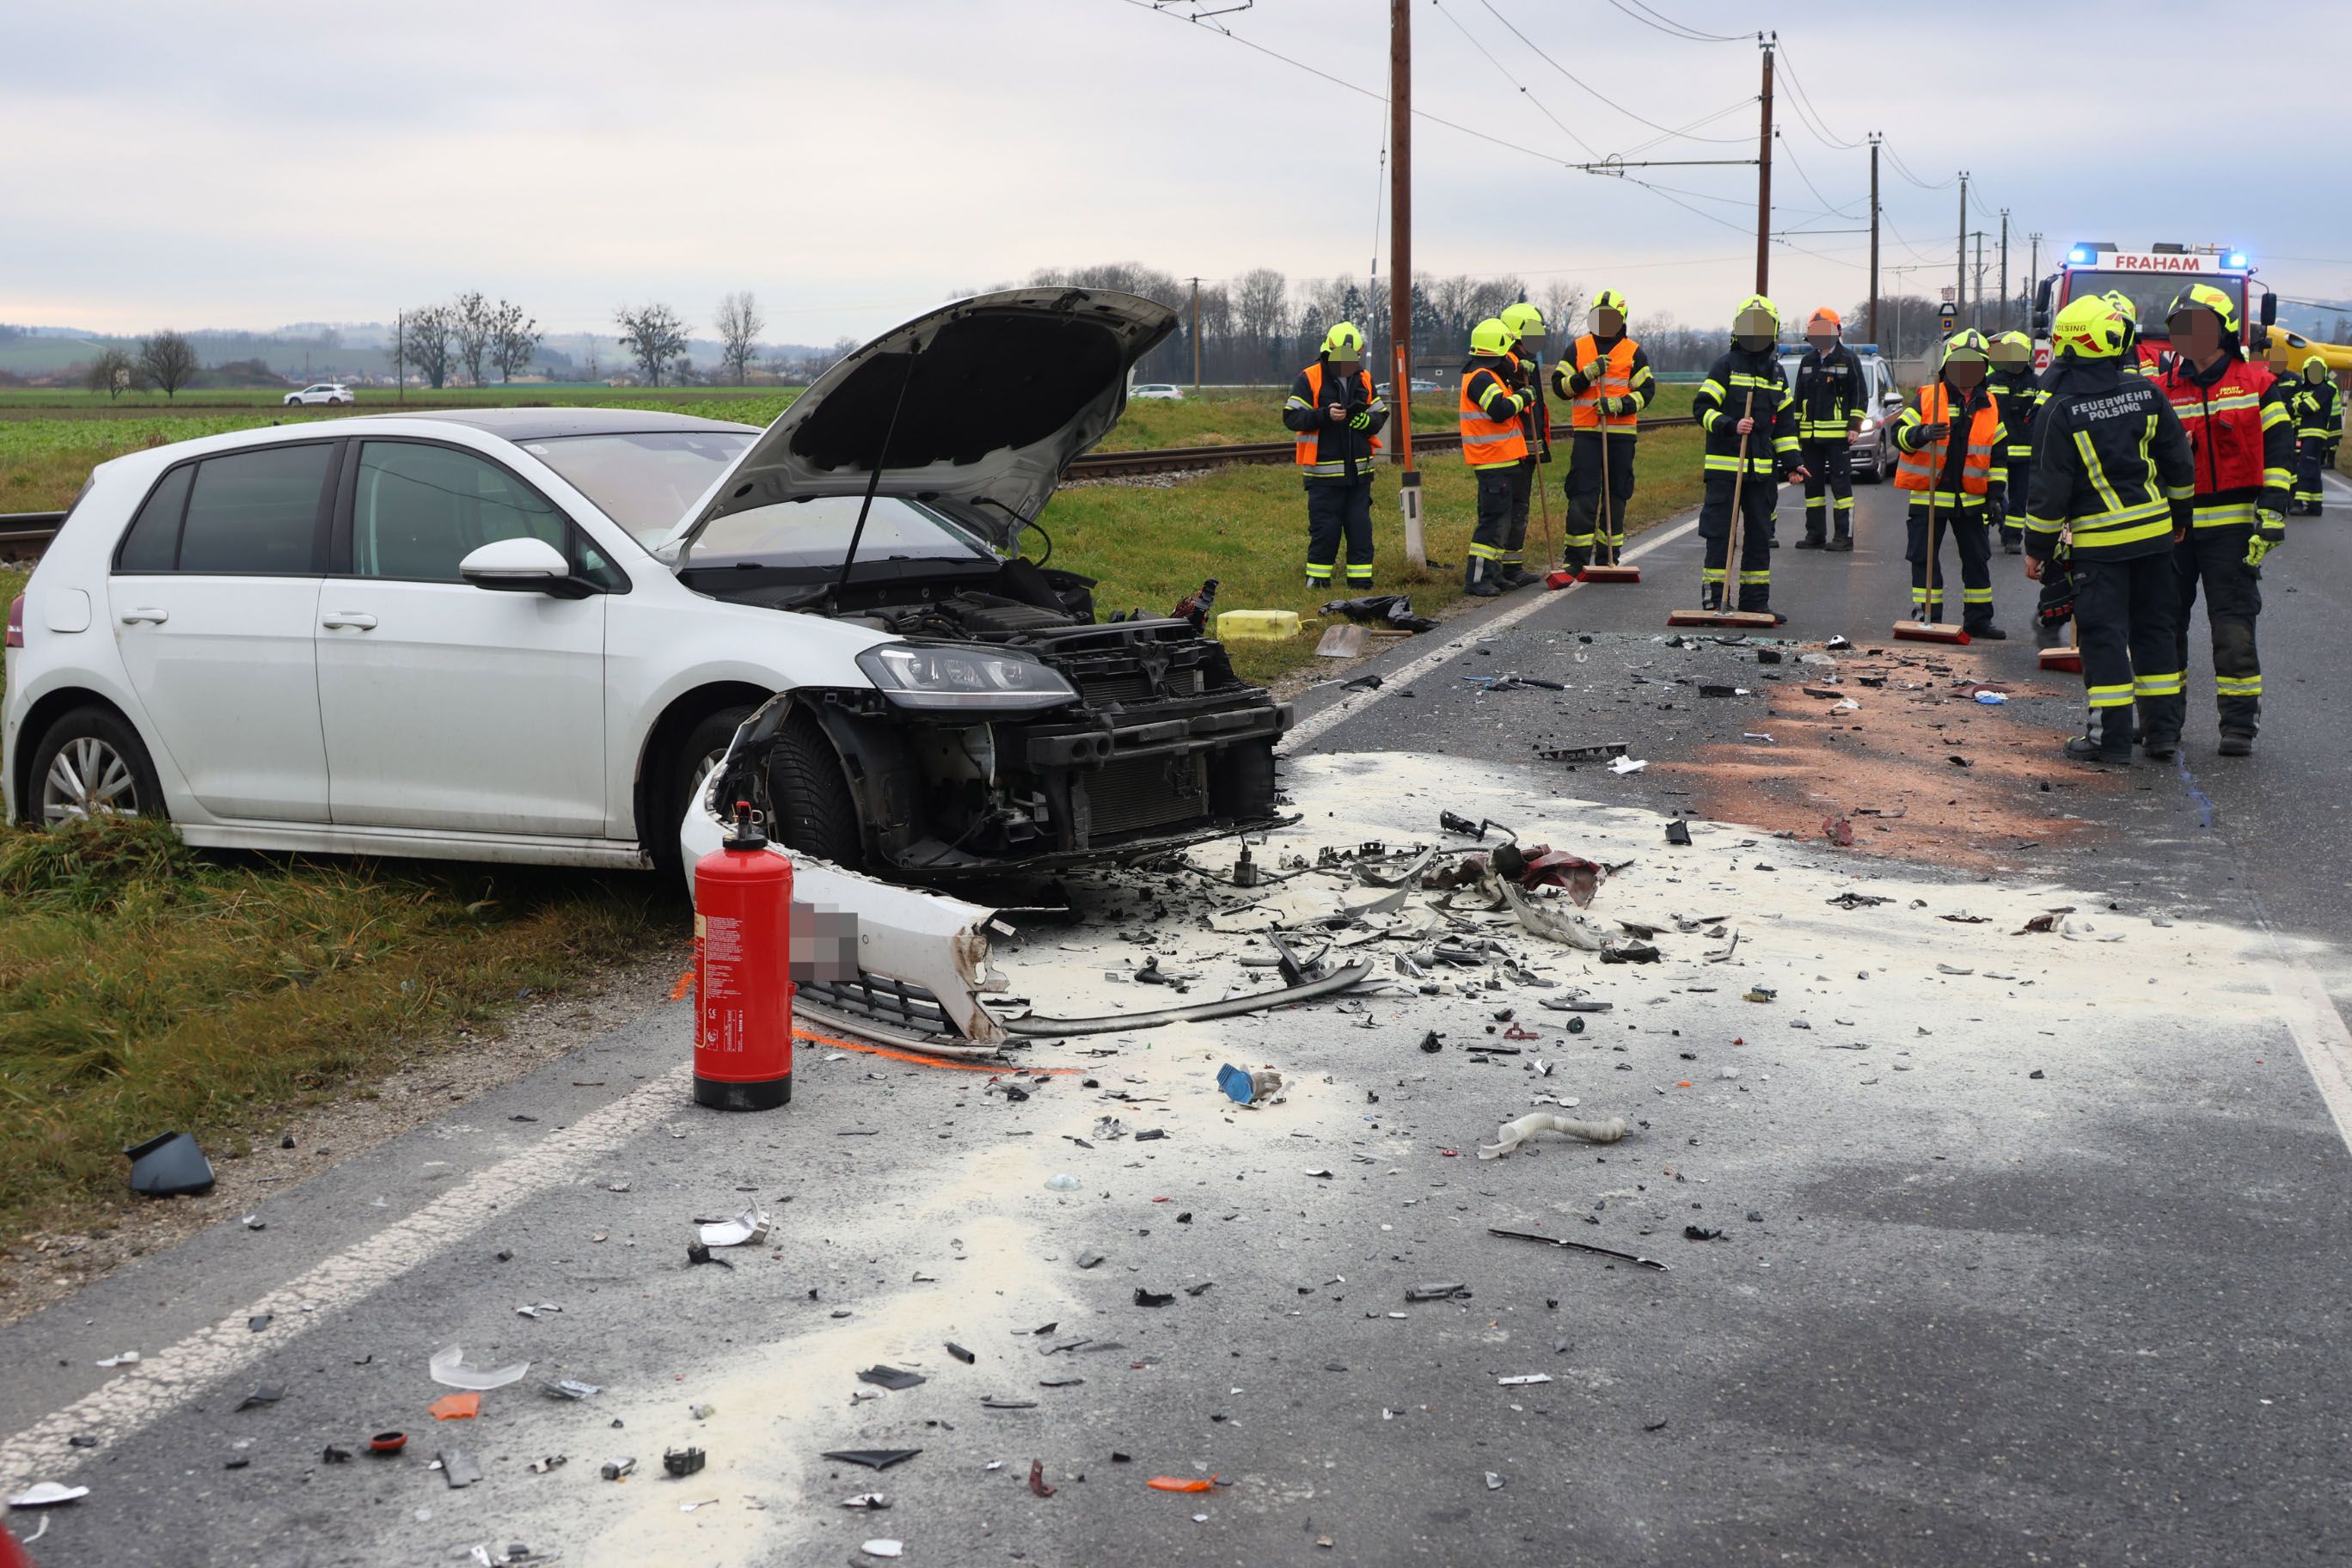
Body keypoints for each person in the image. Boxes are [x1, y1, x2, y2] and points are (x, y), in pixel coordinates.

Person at [2023, 296, 2197, 765]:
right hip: (2156, 538)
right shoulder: (2147, 392)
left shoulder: (2060, 408)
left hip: (2101, 546)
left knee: (2103, 639)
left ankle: (2111, 740)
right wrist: (2181, 518)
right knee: (2155, 633)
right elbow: (2179, 462)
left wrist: (2037, 548)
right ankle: (2163, 735)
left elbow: (2049, 487)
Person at [2152, 284, 2294, 757]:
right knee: (2162, 624)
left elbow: (2279, 452)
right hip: (2173, 530)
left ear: (2224, 331)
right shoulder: (2163, 390)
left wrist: (2271, 514)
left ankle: (2238, 725)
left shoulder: (2258, 384)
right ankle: (2160, 724)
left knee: (2233, 628)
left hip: (2232, 531)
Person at [1690, 296, 1805, 618]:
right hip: (1725, 472)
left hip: (1761, 474)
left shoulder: (1777, 374)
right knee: (1720, 536)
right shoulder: (1725, 366)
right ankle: (1715, 600)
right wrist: (1730, 425)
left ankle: (1755, 602)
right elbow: (1702, 409)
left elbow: (1784, 426)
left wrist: (1793, 462)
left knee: (1760, 536)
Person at [1892, 330, 2010, 635]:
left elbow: (1998, 456)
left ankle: (1979, 621)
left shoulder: (1990, 404)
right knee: (1924, 559)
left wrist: (1995, 496)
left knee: (1977, 559)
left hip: (1971, 500)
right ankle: (1927, 618)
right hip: (1929, 497)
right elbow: (1898, 435)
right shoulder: (1928, 396)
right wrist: (1921, 434)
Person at [1551, 288, 1657, 572]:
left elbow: (1646, 392)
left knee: (1616, 495)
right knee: (1582, 493)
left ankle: (1609, 557)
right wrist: (1586, 375)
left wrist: (1619, 405)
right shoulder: (1577, 348)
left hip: (1620, 436)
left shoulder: (1634, 352)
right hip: (1587, 433)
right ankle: (1575, 560)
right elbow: (1560, 388)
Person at [1282, 322, 1389, 590]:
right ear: (1328, 352)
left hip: (1359, 474)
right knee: (1325, 529)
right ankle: (1318, 582)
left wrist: (1368, 422)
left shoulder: (1364, 378)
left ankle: (1361, 582)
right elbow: (1292, 417)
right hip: (1323, 475)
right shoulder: (1309, 378)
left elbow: (1380, 413)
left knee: (1360, 529)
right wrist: (1324, 415)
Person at [1459, 316, 1532, 597]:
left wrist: (1519, 378)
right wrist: (1523, 396)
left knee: (1502, 522)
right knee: (1492, 523)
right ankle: (1477, 580)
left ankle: (1494, 574)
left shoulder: (1490, 374)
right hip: (1493, 462)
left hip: (1504, 460)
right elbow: (1499, 410)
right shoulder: (1480, 378)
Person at [1791, 307, 1865, 550]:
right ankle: (1815, 534)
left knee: (1841, 487)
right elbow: (1799, 399)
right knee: (1812, 487)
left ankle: (1844, 537)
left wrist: (1854, 427)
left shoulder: (1848, 359)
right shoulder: (1807, 361)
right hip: (1810, 437)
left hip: (1837, 436)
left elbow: (1859, 396)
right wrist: (1796, 432)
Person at [1495, 301, 1551, 586]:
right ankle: (1500, 569)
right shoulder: (1506, 361)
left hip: (1526, 449)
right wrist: (1518, 373)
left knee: (1519, 508)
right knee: (1509, 509)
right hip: (1511, 450)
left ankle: (1512, 566)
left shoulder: (1528, 361)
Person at [1987, 330, 2043, 555]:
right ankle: (1994, 523)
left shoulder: (2036, 384)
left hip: (2024, 451)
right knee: (1992, 491)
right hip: (1994, 451)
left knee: (2020, 498)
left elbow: (2041, 415)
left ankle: (2012, 537)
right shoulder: (1990, 382)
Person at [2290, 352, 2341, 516]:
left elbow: (2306, 407)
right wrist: (2298, 405)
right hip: (2306, 435)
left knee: (2305, 468)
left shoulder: (2323, 389)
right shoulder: (2308, 390)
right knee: (2313, 468)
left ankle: (2298, 503)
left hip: (2315, 435)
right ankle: (2315, 506)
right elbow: (2295, 405)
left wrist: (2298, 405)